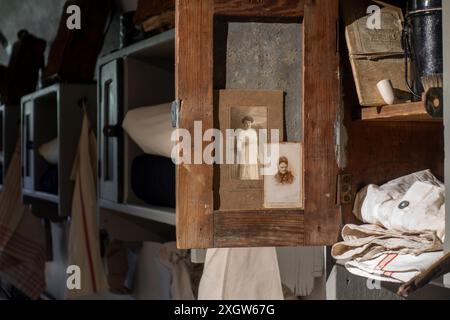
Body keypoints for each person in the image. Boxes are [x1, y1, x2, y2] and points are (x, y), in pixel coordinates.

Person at [236, 116, 260, 180]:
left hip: (252, 153)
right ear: (243, 124)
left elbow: (255, 143)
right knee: (244, 168)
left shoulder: (254, 132)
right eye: (246, 123)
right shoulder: (241, 132)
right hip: (244, 152)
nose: (247, 124)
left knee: (252, 167)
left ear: (251, 123)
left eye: (249, 123)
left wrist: (256, 154)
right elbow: (238, 144)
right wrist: (243, 145)